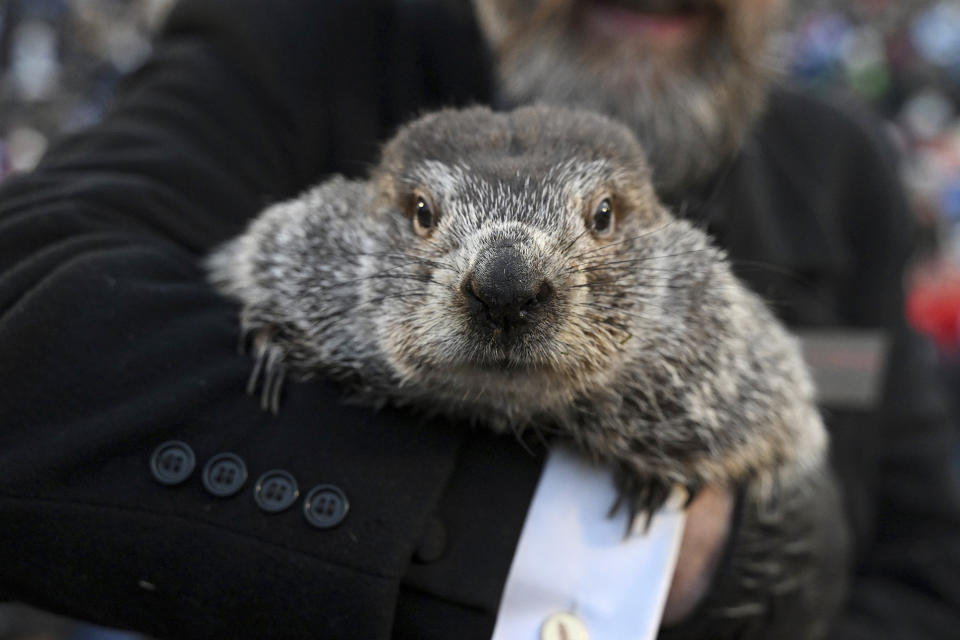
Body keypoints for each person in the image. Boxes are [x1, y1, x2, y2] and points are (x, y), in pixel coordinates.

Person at [0, 0, 957, 638]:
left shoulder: (841, 166)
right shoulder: (300, 43)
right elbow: (28, 313)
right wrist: (609, 557)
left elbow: (926, 555)